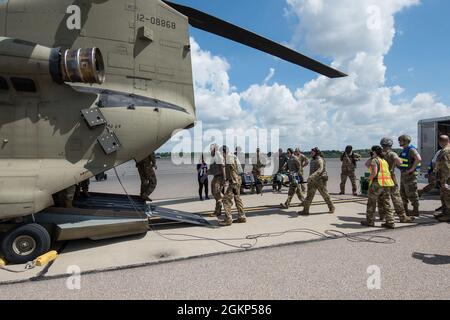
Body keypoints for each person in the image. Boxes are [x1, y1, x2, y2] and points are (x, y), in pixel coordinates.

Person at [378, 138, 414, 223]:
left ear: (382, 145)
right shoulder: (392, 154)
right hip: (390, 177)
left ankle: (382, 215)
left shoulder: (379, 154)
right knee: (396, 197)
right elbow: (399, 162)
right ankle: (402, 217)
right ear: (390, 145)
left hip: (380, 178)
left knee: (381, 197)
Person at [361, 146, 396, 229]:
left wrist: (368, 178)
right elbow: (367, 164)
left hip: (377, 184)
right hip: (386, 184)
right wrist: (372, 156)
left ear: (374, 152)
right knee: (386, 203)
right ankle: (390, 222)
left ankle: (370, 221)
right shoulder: (384, 161)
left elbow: (374, 172)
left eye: (372, 152)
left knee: (371, 203)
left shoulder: (375, 160)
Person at [299, 147, 335, 216]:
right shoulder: (313, 159)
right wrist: (310, 178)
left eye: (312, 152)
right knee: (309, 196)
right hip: (312, 181)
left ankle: (331, 207)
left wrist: (312, 176)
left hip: (320, 180)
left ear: (316, 153)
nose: (311, 153)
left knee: (325, 194)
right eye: (311, 152)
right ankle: (305, 210)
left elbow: (320, 169)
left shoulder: (319, 159)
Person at [220, 145, 246, 226]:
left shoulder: (229, 157)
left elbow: (232, 169)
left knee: (226, 199)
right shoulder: (234, 156)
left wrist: (231, 180)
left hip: (234, 182)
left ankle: (228, 219)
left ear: (224, 152)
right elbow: (240, 169)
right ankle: (242, 217)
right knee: (237, 198)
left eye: (221, 153)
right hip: (238, 180)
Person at [398, 135, 422, 217]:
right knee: (403, 193)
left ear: (405, 141)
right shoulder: (404, 150)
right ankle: (405, 210)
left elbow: (418, 159)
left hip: (410, 175)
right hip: (404, 175)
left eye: (400, 140)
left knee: (412, 193)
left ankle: (415, 211)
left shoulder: (411, 149)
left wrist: (411, 169)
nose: (399, 142)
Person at [434, 135, 450, 222]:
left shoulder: (445, 151)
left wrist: (445, 181)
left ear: (442, 142)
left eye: (439, 142)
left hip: (446, 178)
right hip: (445, 177)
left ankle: (448, 215)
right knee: (444, 196)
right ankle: (445, 212)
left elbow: (447, 167)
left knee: (447, 196)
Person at [209, 144, 225, 217]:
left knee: (217, 194)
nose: (210, 151)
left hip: (219, 178)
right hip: (216, 177)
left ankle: (217, 211)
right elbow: (213, 169)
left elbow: (222, 167)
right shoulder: (214, 157)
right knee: (214, 192)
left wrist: (224, 179)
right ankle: (222, 200)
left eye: (211, 149)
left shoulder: (218, 156)